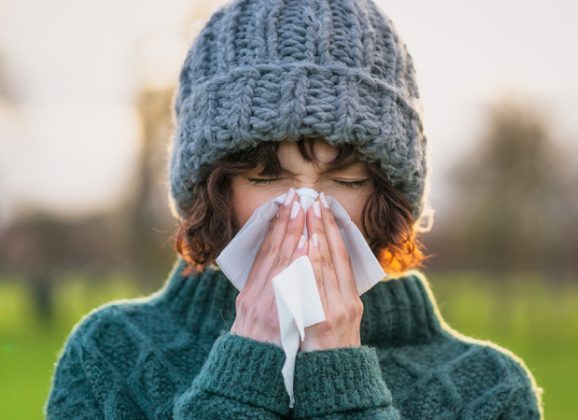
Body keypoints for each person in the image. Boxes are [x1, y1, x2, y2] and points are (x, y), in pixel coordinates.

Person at [44, 0, 545, 418]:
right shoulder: (110, 354)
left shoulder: (489, 390)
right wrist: (246, 366)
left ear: (389, 193)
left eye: (345, 179)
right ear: (211, 189)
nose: (306, 210)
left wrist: (341, 380)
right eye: (266, 177)